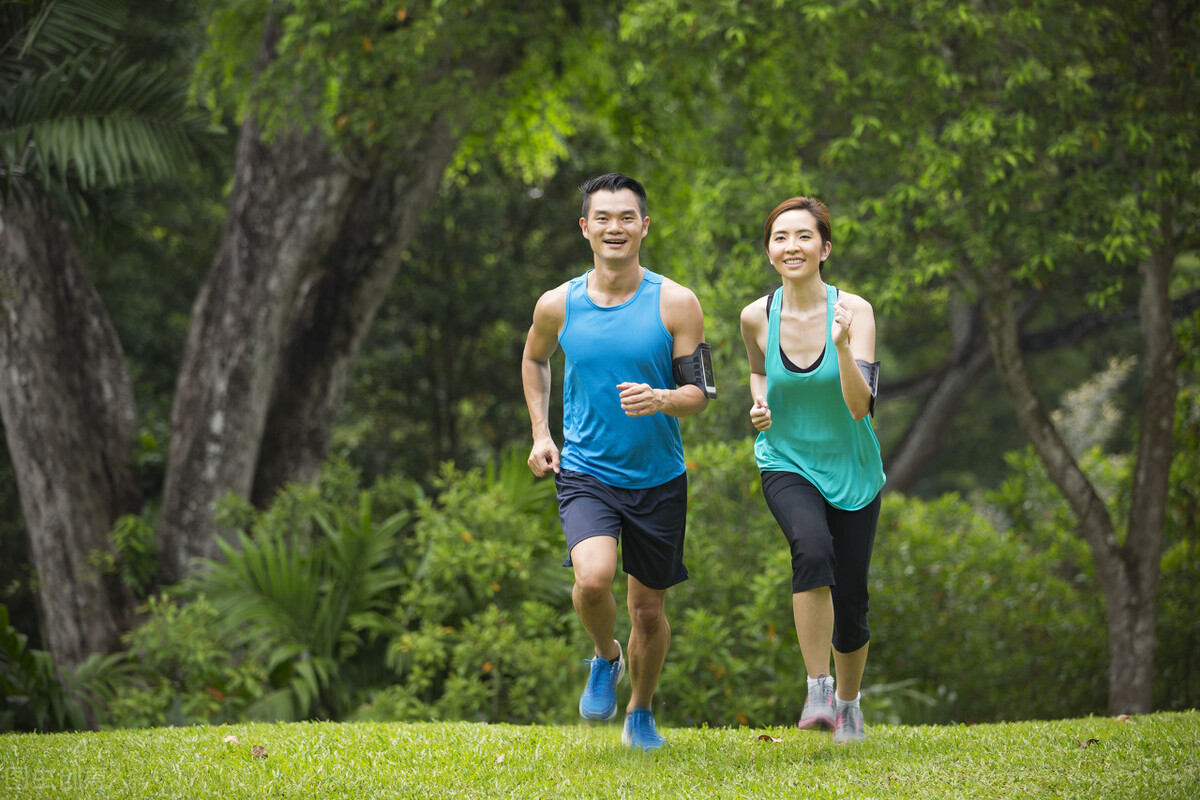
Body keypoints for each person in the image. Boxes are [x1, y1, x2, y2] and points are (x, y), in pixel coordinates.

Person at [522, 173, 714, 751]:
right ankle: (605, 655)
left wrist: (660, 399)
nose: (615, 228)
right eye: (602, 218)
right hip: (586, 471)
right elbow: (535, 361)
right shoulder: (558, 304)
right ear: (585, 228)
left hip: (659, 477)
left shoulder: (676, 302)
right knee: (592, 578)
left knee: (649, 612)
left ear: (644, 226)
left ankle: (640, 712)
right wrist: (540, 433)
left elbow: (701, 395)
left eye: (626, 217)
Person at [738, 196, 885, 744]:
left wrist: (844, 348)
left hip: (851, 468)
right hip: (786, 459)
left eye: (803, 236)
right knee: (812, 548)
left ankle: (848, 703)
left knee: (852, 598)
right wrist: (759, 404)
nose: (791, 246)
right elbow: (758, 371)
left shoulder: (857, 312)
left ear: (825, 248)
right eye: (780, 237)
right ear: (769, 251)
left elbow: (858, 406)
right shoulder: (757, 315)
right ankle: (818, 687)